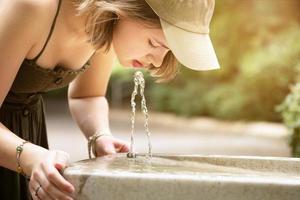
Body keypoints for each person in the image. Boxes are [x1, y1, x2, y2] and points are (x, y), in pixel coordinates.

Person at [0, 0, 219, 199]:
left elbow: (87, 96)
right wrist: (29, 157)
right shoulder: (29, 7)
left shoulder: (105, 24)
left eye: (168, 50)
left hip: (24, 144)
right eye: (154, 43)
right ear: (125, 7)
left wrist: (99, 135)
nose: (159, 62)